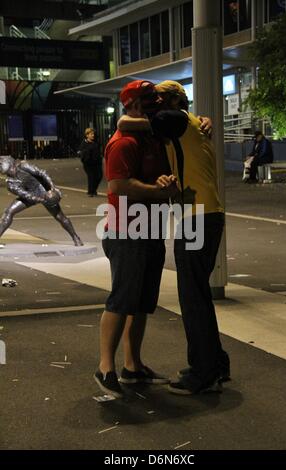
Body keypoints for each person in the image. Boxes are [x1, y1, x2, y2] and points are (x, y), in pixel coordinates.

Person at [118, 80, 230, 395]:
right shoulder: (190, 123)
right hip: (204, 215)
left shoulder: (177, 120)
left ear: (170, 101)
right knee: (199, 295)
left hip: (197, 217)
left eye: (157, 99)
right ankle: (215, 364)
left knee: (192, 298)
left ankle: (202, 373)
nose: (151, 103)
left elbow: (128, 122)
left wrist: (130, 114)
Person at [94, 80, 181, 398]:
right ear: (131, 105)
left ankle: (132, 365)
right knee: (121, 300)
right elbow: (118, 185)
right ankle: (106, 367)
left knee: (142, 302)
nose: (155, 104)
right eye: (148, 100)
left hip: (149, 228)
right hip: (126, 231)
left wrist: (162, 181)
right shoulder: (124, 142)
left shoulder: (151, 136)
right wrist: (158, 190)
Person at [0, 155, 83, 247]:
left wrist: (52, 188)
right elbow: (26, 195)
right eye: (8, 172)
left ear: (12, 164)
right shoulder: (10, 183)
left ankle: (76, 237)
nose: (11, 172)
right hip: (31, 195)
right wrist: (41, 199)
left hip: (43, 190)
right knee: (8, 212)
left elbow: (42, 173)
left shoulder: (24, 166)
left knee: (59, 216)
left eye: (11, 169)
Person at [78, 128, 103, 197]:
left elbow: (98, 152)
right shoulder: (84, 143)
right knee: (91, 177)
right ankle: (91, 191)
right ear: (87, 135)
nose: (93, 135)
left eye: (93, 134)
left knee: (99, 176)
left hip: (97, 163)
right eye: (91, 134)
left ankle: (93, 190)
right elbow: (80, 152)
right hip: (88, 164)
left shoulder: (95, 142)